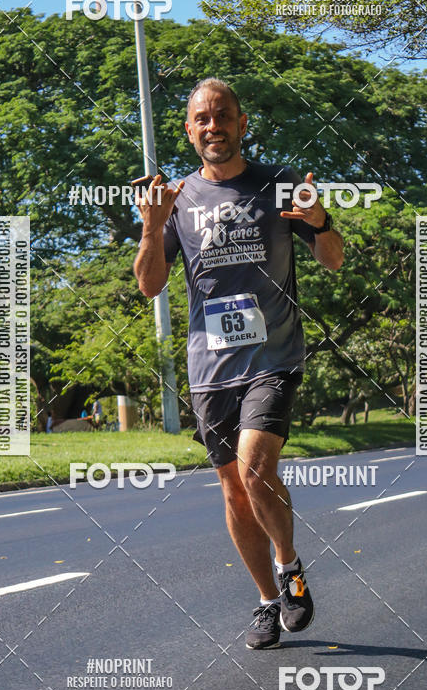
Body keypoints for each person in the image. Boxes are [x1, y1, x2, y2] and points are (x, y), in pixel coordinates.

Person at [133, 78, 344, 649]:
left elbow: (332, 261)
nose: (213, 127)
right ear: (188, 131)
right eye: (202, 119)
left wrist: (321, 221)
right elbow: (150, 284)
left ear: (242, 124)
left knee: (254, 466)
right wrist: (154, 226)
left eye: (222, 116)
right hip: (210, 367)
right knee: (232, 489)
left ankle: (289, 564)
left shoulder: (277, 185)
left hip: (273, 355)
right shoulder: (177, 200)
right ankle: (267, 602)